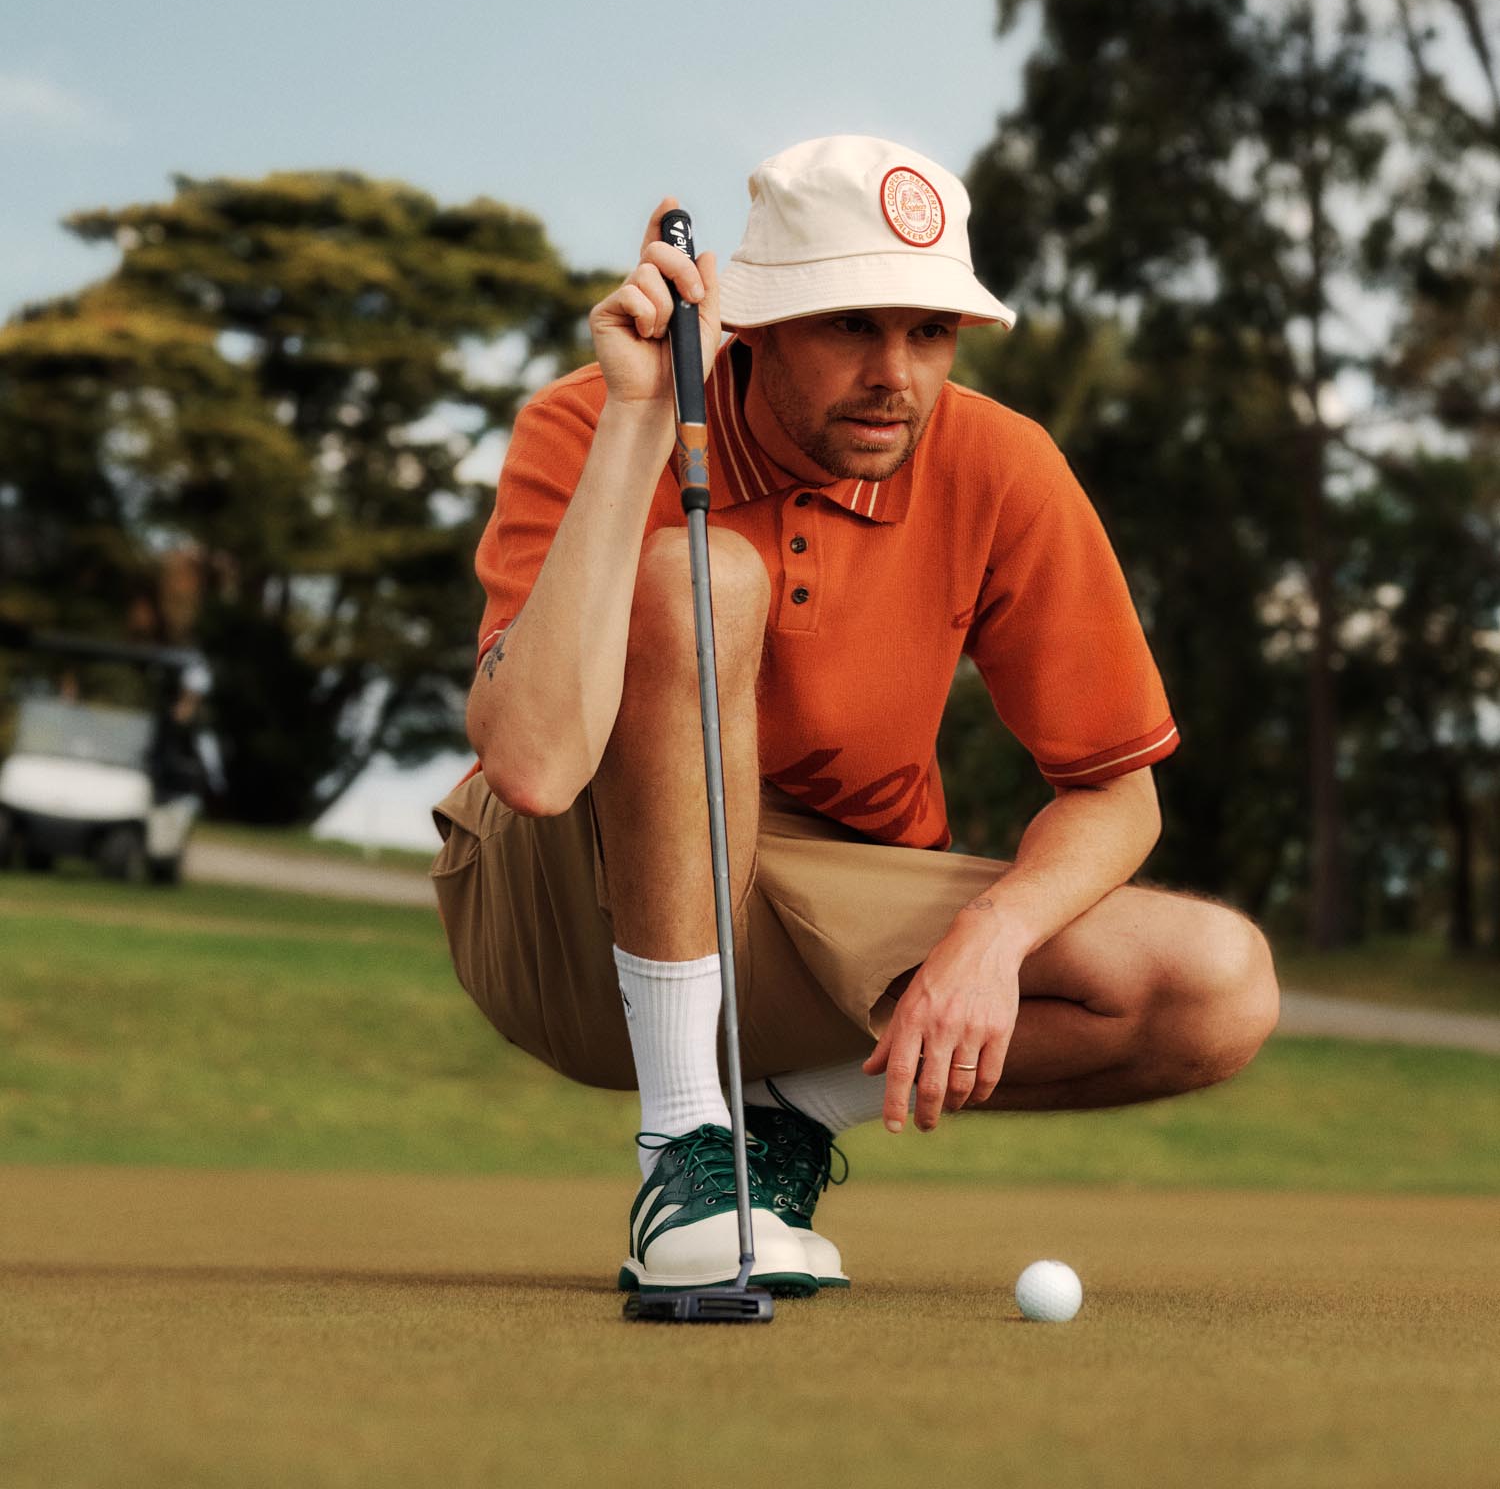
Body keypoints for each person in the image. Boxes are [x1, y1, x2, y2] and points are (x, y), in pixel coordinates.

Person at [434, 134, 1280, 1298]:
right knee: (705, 578)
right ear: (762, 320)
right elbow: (530, 763)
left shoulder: (1003, 466)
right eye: (851, 325)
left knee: (1217, 984)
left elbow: (1113, 787)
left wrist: (996, 936)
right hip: (562, 913)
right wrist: (639, 422)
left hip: (811, 921)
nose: (897, 373)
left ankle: (777, 1121)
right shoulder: (589, 418)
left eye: (929, 332)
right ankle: (685, 1143)